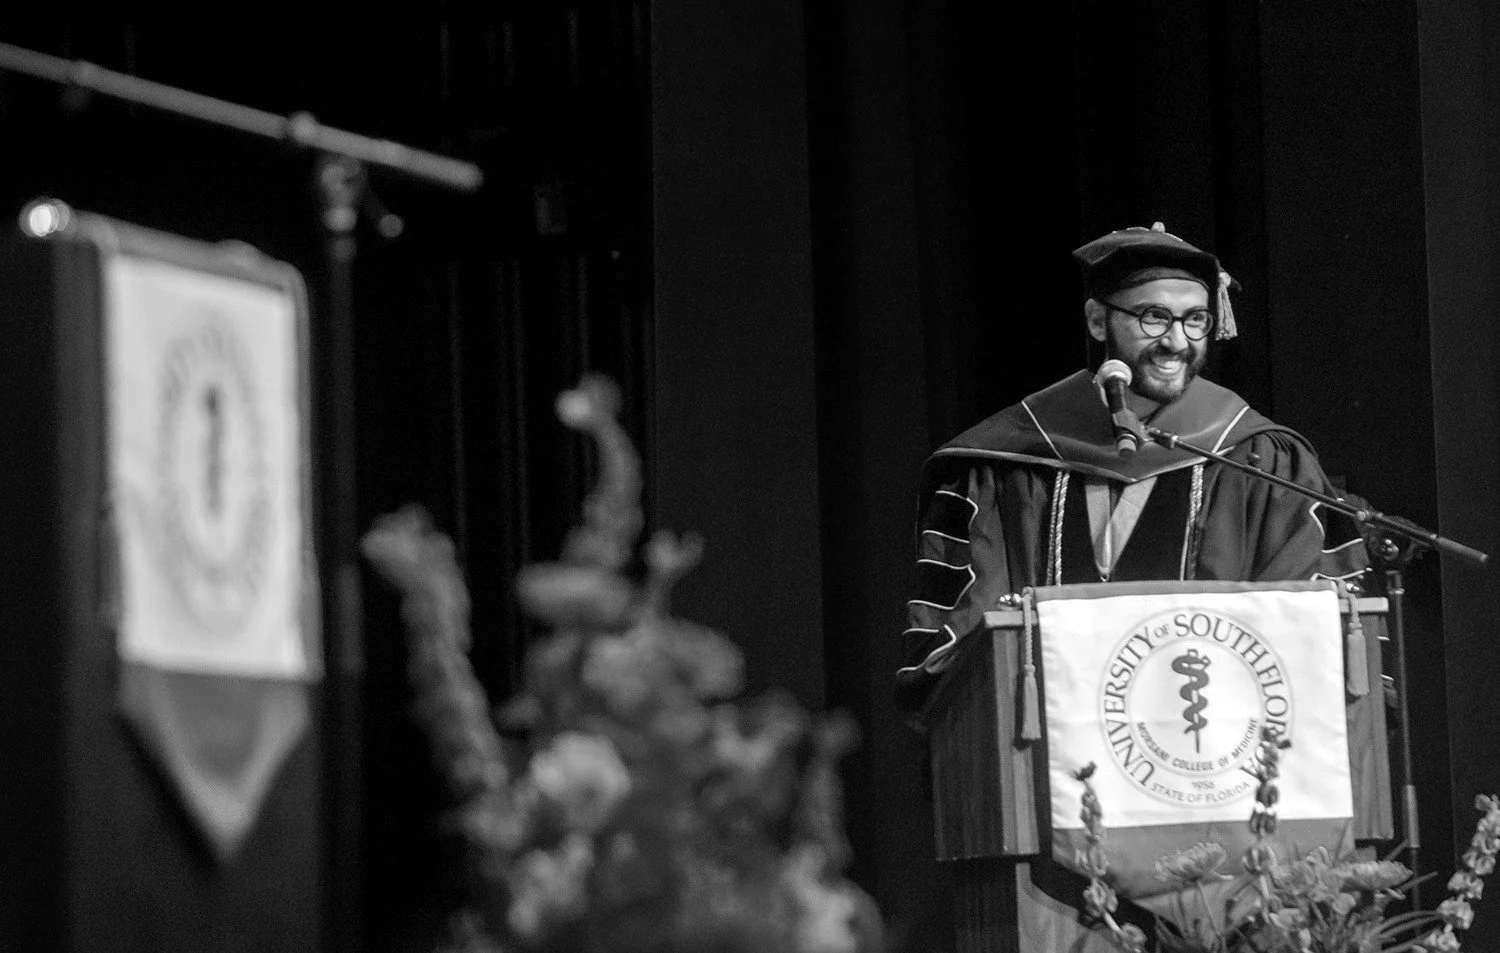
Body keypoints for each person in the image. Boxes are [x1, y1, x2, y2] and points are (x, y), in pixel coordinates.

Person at [898, 223, 1368, 709]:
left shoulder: (1257, 457)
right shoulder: (1009, 459)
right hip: (1055, 744)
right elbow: (963, 631)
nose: (1176, 341)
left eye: (1196, 320)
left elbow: (1305, 608)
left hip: (1217, 738)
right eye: (1153, 318)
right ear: (1098, 321)